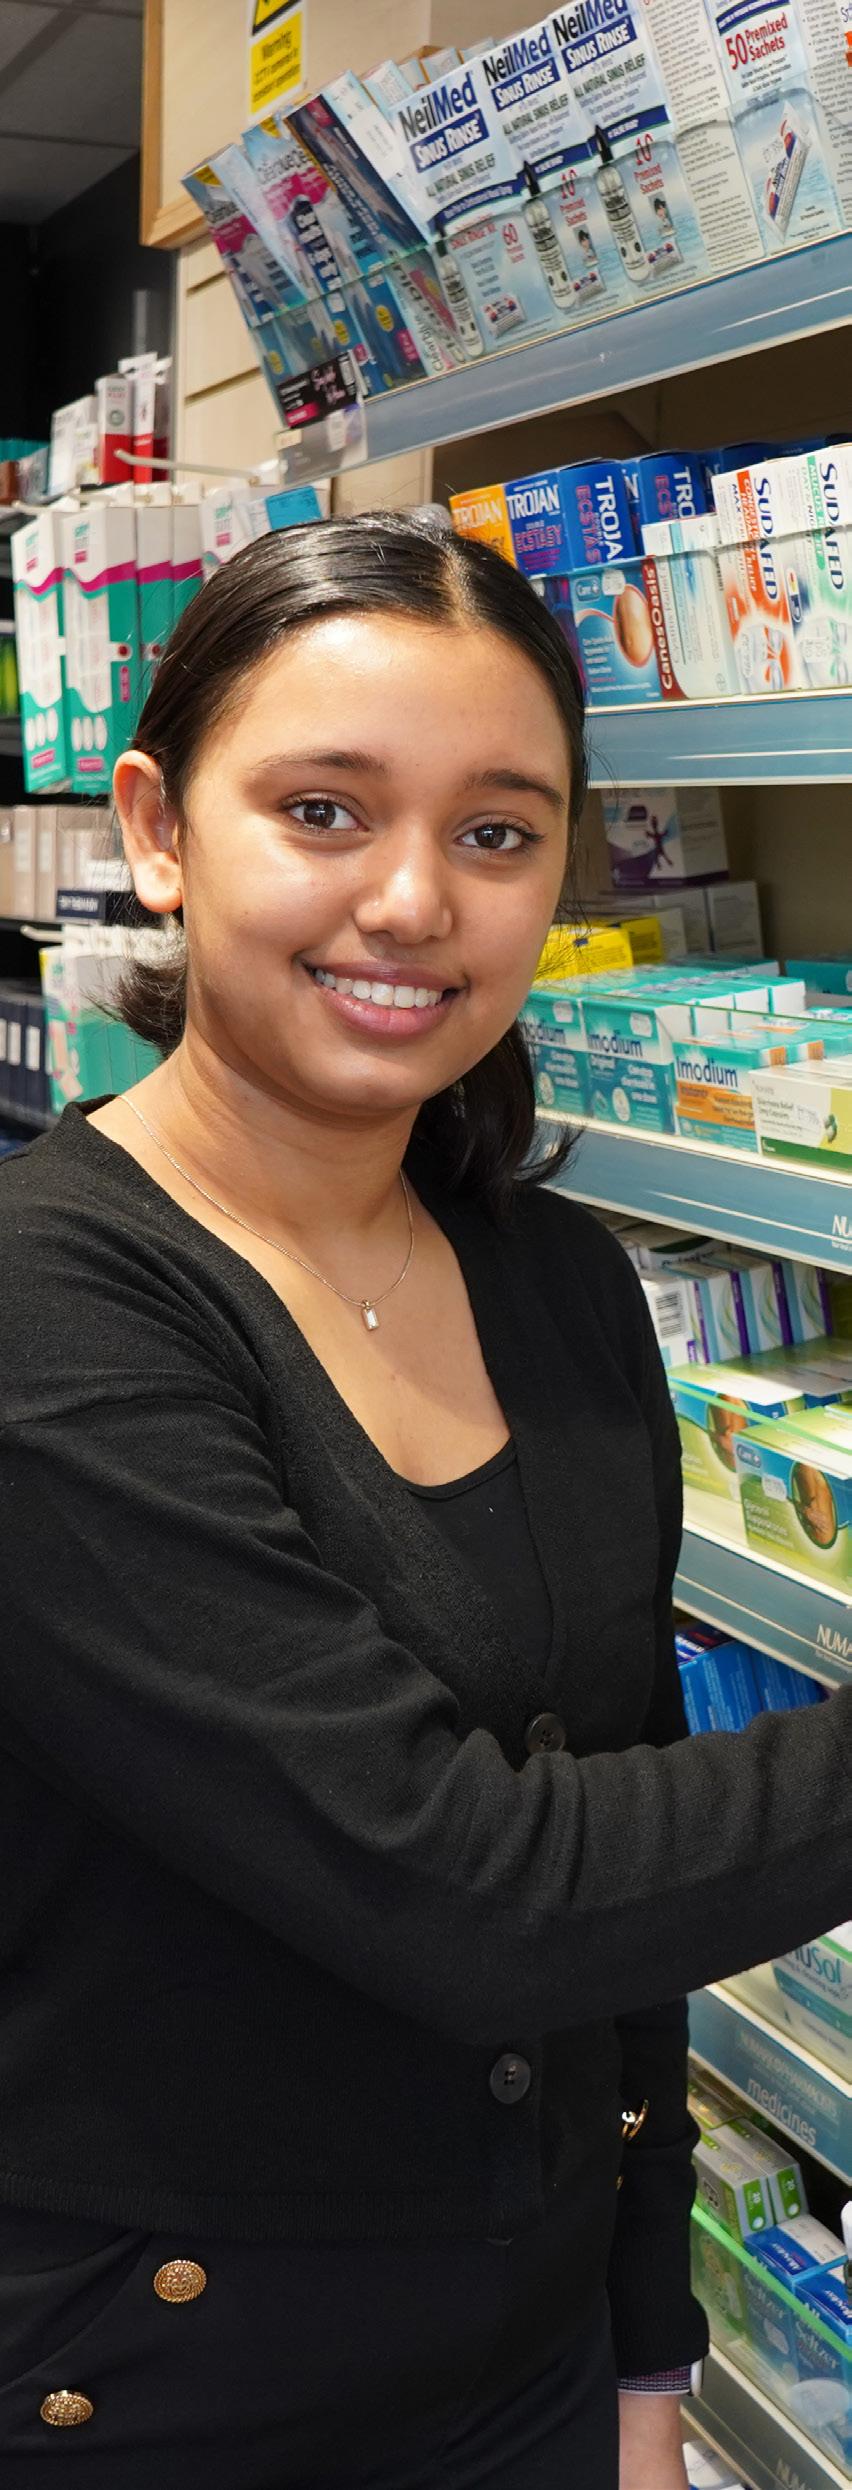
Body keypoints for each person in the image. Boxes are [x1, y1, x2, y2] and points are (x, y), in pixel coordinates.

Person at [0, 514, 848, 2490]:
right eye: (324, 810)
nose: (412, 902)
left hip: (526, 2367)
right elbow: (485, 1892)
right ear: (160, 829)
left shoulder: (551, 1281)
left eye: (495, 833)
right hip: (163, 2386)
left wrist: (646, 2361)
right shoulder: (51, 1314)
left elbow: (625, 1873)